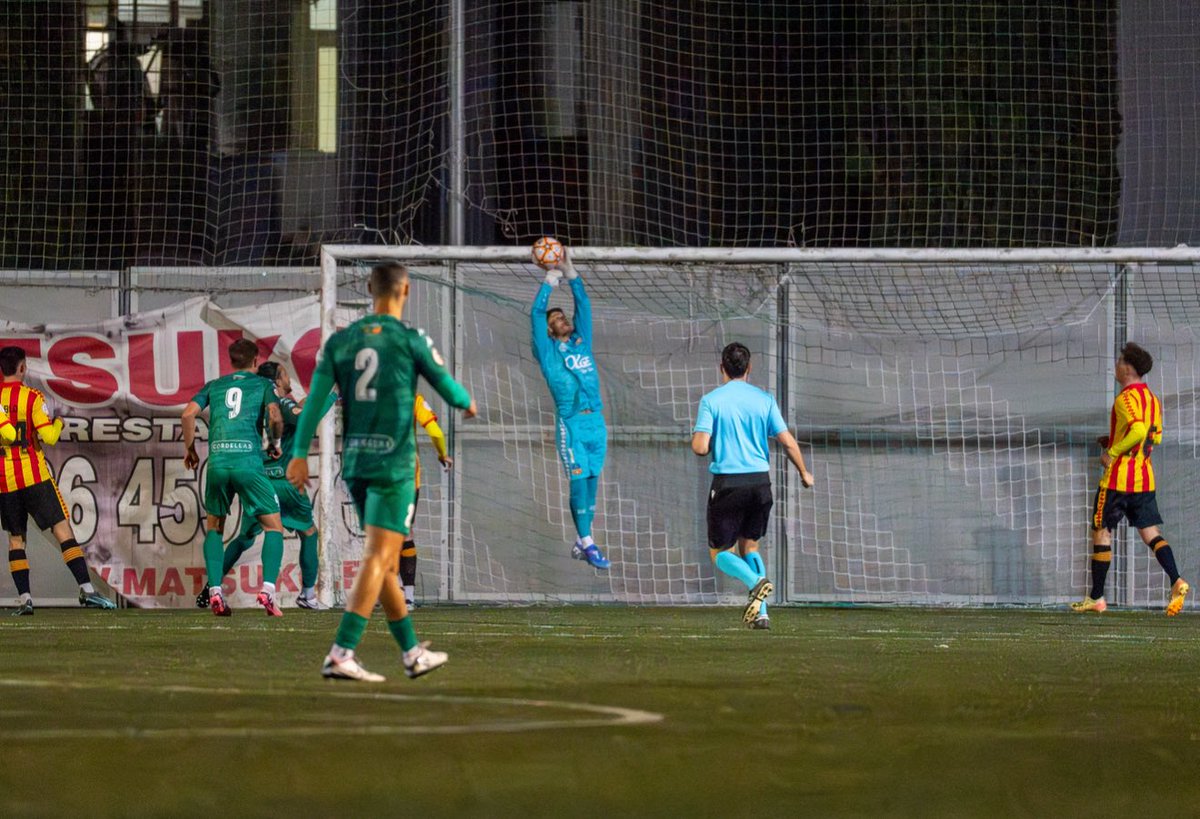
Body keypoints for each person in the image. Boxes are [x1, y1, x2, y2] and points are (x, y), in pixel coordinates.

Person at [287, 262, 476, 682]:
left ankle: (411, 652)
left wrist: (299, 452)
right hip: (394, 466)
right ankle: (341, 652)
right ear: (404, 289)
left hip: (356, 464)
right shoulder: (409, 339)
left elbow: (316, 400)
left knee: (385, 560)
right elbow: (445, 385)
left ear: (370, 288)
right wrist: (467, 401)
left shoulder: (341, 342)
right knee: (379, 556)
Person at [691, 342, 814, 629]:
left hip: (728, 485)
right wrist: (805, 473)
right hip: (760, 483)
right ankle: (761, 613)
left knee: (720, 553)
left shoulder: (712, 401)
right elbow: (786, 441)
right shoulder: (764, 399)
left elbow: (700, 447)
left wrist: (700, 438)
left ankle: (756, 581)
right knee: (750, 546)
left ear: (721, 368)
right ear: (749, 368)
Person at [194, 361, 334, 611]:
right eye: (285, 374)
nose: (289, 377)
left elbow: (300, 406)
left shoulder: (255, 396)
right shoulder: (279, 402)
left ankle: (212, 586)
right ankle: (307, 595)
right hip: (285, 484)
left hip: (258, 479)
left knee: (245, 537)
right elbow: (302, 415)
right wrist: (334, 392)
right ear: (278, 381)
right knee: (309, 533)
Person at [1072, 342, 1188, 615]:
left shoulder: (1125, 399)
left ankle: (1097, 598)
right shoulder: (1152, 399)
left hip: (1118, 480)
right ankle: (1176, 580)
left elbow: (1137, 430)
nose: (1116, 364)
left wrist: (1111, 451)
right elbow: (1154, 437)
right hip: (1144, 478)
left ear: (1127, 368)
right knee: (1151, 534)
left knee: (1102, 530)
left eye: (1120, 360)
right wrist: (1114, 438)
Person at [0, 346, 116, 614]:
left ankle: (25, 599)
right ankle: (87, 591)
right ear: (22, 368)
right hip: (34, 476)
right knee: (63, 531)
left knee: (16, 540)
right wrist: (60, 423)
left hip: (6, 481)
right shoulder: (32, 397)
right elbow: (49, 437)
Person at [182, 339, 286, 617]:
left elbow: (188, 414)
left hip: (217, 462)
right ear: (255, 362)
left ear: (231, 362)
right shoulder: (263, 385)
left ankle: (215, 591)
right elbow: (275, 416)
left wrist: (190, 449)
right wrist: (275, 443)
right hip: (248, 463)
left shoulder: (215, 385)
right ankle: (267, 590)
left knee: (215, 527)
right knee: (274, 527)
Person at [530, 246, 610, 569]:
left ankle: (583, 538)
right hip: (572, 424)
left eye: (562, 316)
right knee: (577, 479)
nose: (561, 319)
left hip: (597, 423)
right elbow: (536, 315)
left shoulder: (582, 342)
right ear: (550, 331)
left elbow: (585, 306)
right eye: (556, 319)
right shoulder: (548, 354)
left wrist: (571, 273)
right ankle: (588, 542)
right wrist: (549, 281)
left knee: (592, 482)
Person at [399, 393, 453, 608]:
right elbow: (435, 432)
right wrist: (442, 454)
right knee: (405, 532)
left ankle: (394, 591)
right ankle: (408, 597)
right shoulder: (414, 398)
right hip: (407, 473)